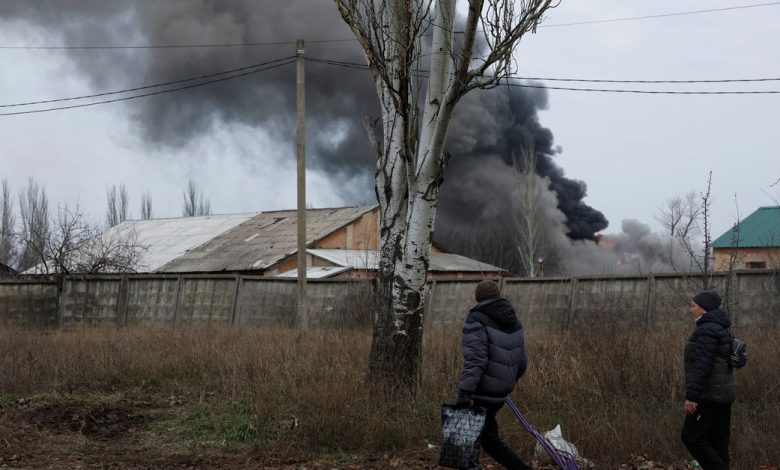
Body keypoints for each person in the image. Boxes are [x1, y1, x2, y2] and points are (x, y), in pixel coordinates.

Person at [456, 280, 531, 470]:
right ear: (497, 296)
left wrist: (464, 393)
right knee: (473, 437)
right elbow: (522, 362)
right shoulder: (514, 320)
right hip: (500, 392)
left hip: (481, 391)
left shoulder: (476, 319)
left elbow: (476, 361)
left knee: (486, 441)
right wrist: (505, 382)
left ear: (477, 297)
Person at [681, 289, 736, 470]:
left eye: (694, 306)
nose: (691, 310)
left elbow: (702, 365)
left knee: (691, 436)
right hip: (723, 395)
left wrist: (692, 396)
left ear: (703, 309)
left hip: (708, 395)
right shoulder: (721, 328)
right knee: (718, 442)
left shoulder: (706, 331)